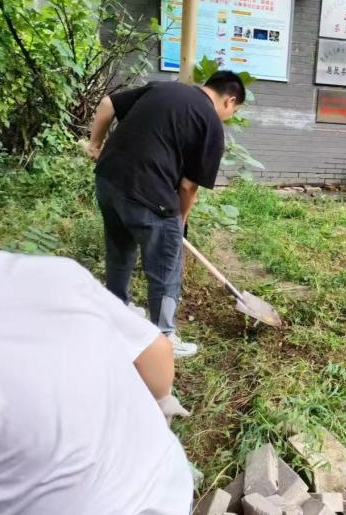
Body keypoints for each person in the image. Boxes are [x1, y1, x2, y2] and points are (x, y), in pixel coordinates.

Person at [0, 152, 194, 514]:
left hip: (120, 190)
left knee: (129, 262)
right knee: (149, 267)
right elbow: (157, 352)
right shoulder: (58, 273)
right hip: (168, 491)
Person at [85, 71, 245, 358]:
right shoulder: (210, 122)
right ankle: (164, 337)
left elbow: (108, 104)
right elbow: (188, 185)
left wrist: (95, 144)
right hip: (150, 193)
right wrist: (178, 224)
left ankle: (116, 311)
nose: (229, 116)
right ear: (229, 101)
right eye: (234, 110)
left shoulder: (162, 89)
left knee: (119, 248)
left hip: (109, 180)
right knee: (166, 266)